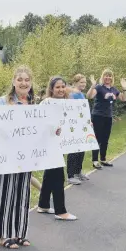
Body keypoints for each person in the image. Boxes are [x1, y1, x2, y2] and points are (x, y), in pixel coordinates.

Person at [0, 66, 37, 248]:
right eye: (20, 79)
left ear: (31, 83)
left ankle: (20, 232)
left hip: (25, 157)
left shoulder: (34, 104)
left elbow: (41, 129)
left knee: (23, 194)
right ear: (13, 82)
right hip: (5, 157)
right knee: (6, 194)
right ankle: (4, 235)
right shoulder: (3, 102)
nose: (23, 83)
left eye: (27, 80)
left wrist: (54, 130)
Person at [38, 76, 77, 221]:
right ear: (51, 89)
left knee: (50, 174)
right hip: (49, 144)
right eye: (57, 87)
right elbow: (38, 122)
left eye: (63, 86)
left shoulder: (68, 103)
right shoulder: (46, 103)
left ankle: (43, 204)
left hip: (61, 145)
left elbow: (73, 122)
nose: (61, 89)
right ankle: (61, 211)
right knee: (59, 176)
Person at [86, 69, 126, 169]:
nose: (108, 77)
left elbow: (123, 99)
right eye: (106, 76)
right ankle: (95, 160)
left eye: (110, 76)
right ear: (102, 77)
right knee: (97, 138)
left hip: (108, 116)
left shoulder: (114, 89)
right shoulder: (99, 87)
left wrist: (124, 88)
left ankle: (103, 159)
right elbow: (89, 96)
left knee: (105, 139)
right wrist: (92, 86)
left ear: (112, 78)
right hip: (98, 115)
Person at [66, 74, 89, 185]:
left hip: (83, 125)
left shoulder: (81, 94)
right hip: (74, 126)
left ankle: (78, 172)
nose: (83, 84)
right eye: (81, 82)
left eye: (84, 82)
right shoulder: (72, 94)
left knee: (82, 149)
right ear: (75, 82)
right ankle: (70, 175)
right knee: (74, 150)